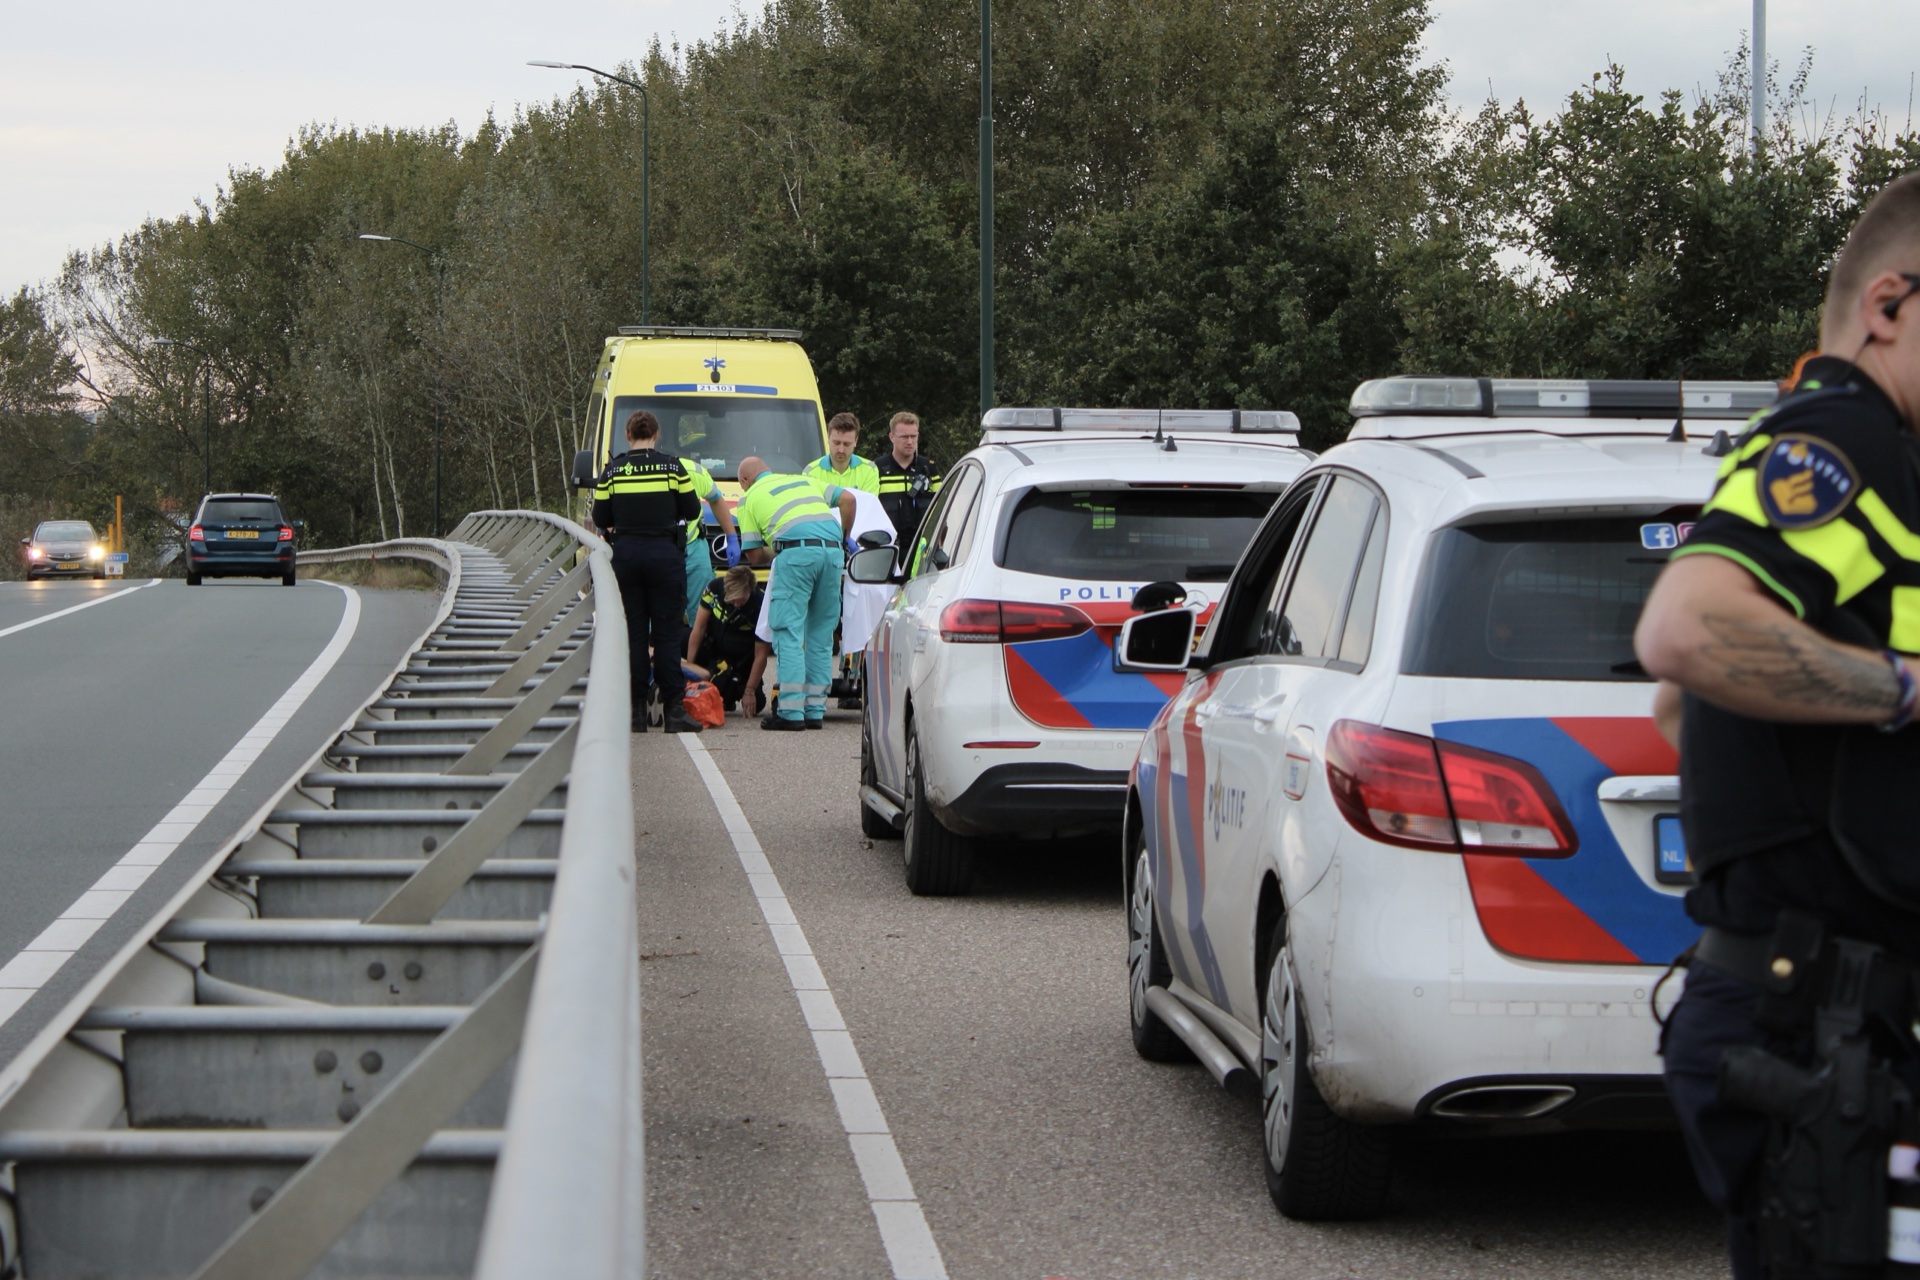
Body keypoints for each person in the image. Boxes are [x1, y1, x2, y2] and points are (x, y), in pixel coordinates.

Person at [1634, 171, 1920, 1280]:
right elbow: (1688, 632)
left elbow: (1681, 706)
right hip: (1825, 1030)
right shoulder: (1843, 442)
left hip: (1829, 1020)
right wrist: (1902, 689)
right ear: (1889, 306)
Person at [592, 410, 704, 735]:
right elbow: (693, 510)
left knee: (635, 635)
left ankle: (635, 713)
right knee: (668, 636)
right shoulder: (673, 467)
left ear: (628, 436)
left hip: (625, 555)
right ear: (656, 435)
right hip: (665, 557)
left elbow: (601, 514)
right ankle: (674, 711)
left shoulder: (612, 470)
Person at [733, 456, 857, 729]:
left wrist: (777, 549)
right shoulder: (804, 480)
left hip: (796, 554)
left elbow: (754, 554)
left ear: (744, 480)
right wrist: (844, 539)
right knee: (822, 633)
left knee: (789, 631)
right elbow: (848, 500)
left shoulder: (749, 498)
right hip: (832, 553)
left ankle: (790, 713)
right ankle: (814, 710)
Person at [687, 566, 766, 712]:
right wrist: (690, 670)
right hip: (714, 649)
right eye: (732, 600)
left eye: (740, 600)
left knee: (757, 703)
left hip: (741, 660)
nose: (736, 604)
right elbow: (699, 629)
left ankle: (727, 694)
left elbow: (761, 654)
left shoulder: (760, 604)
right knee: (673, 640)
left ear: (750, 590)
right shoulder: (714, 588)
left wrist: (750, 690)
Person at [680, 455, 741, 626]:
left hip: (691, 547)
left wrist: (731, 536)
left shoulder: (693, 471)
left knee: (702, 611)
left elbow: (715, 499)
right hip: (659, 548)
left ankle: (697, 648)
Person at [874, 410, 942, 545]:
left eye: (913, 436)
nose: (910, 442)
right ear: (891, 437)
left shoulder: (928, 468)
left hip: (922, 546)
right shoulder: (877, 468)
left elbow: (941, 509)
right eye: (904, 437)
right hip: (889, 546)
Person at [804, 412, 881, 494]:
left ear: (856, 441)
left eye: (846, 444)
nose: (841, 450)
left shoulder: (869, 470)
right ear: (828, 437)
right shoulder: (810, 472)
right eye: (836, 443)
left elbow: (867, 505)